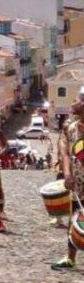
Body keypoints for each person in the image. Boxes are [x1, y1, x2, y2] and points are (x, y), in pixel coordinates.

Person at [51, 88, 84, 270]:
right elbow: (66, 153)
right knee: (75, 217)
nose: (72, 104)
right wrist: (67, 173)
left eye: (76, 100)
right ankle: (70, 257)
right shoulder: (71, 127)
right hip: (78, 182)